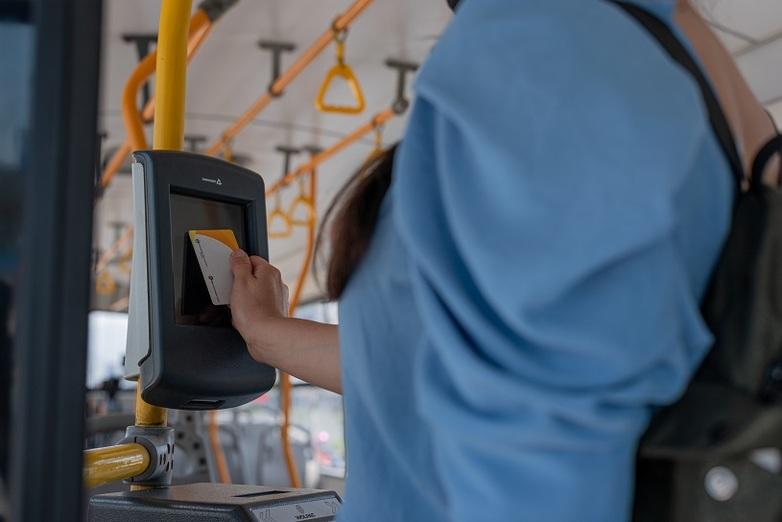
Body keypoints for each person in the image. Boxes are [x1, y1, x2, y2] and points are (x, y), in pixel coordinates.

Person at [230, 0, 779, 520]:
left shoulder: (540, 53)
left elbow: (540, 453)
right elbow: (424, 359)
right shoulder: (649, 61)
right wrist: (266, 334)